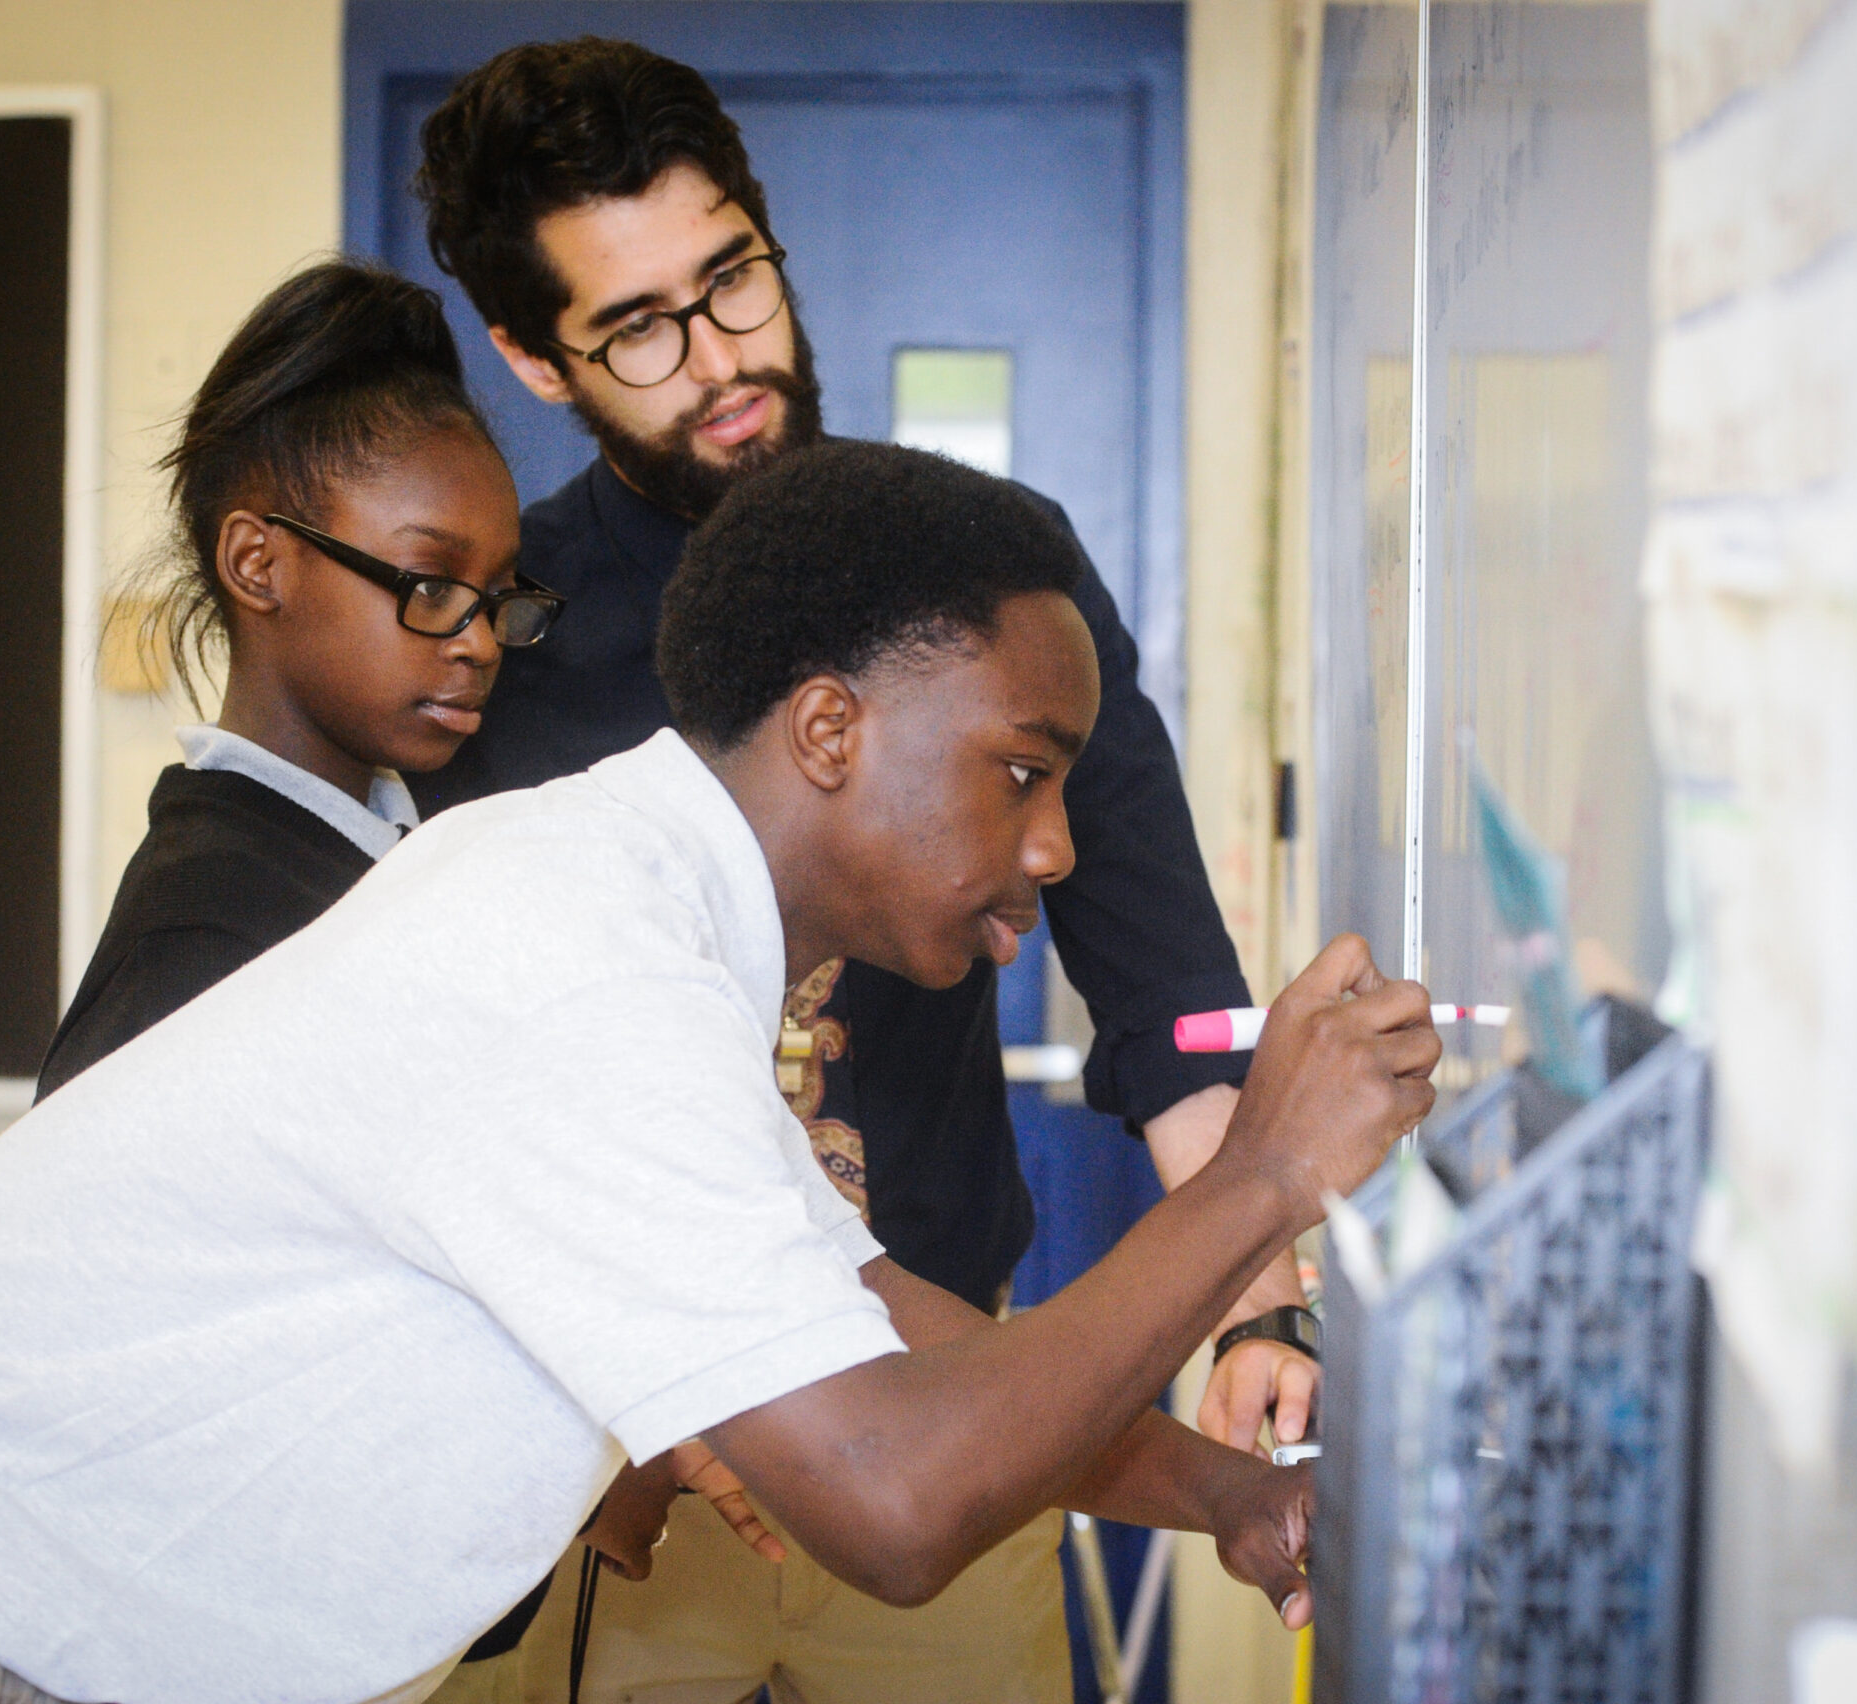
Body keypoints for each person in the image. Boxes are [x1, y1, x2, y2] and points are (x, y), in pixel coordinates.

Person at [0, 442, 1443, 1704]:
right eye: (1020, 770)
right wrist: (1258, 1179)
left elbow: (898, 1336)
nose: (1058, 844)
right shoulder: (575, 952)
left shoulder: (635, 918)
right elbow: (899, 1499)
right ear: (832, 728)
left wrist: (1221, 1491)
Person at [411, 42, 1317, 1698]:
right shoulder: (502, 647)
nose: (722, 360)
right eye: (637, 328)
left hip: (963, 1407)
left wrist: (1263, 1308)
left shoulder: (997, 566)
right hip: (623, 1451)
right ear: (535, 360)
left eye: (734, 277)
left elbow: (1172, 991)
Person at [37, 258, 547, 1096]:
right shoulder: (208, 939)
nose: (482, 643)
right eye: (430, 585)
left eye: (495, 596)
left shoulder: (367, 860)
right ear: (257, 564)